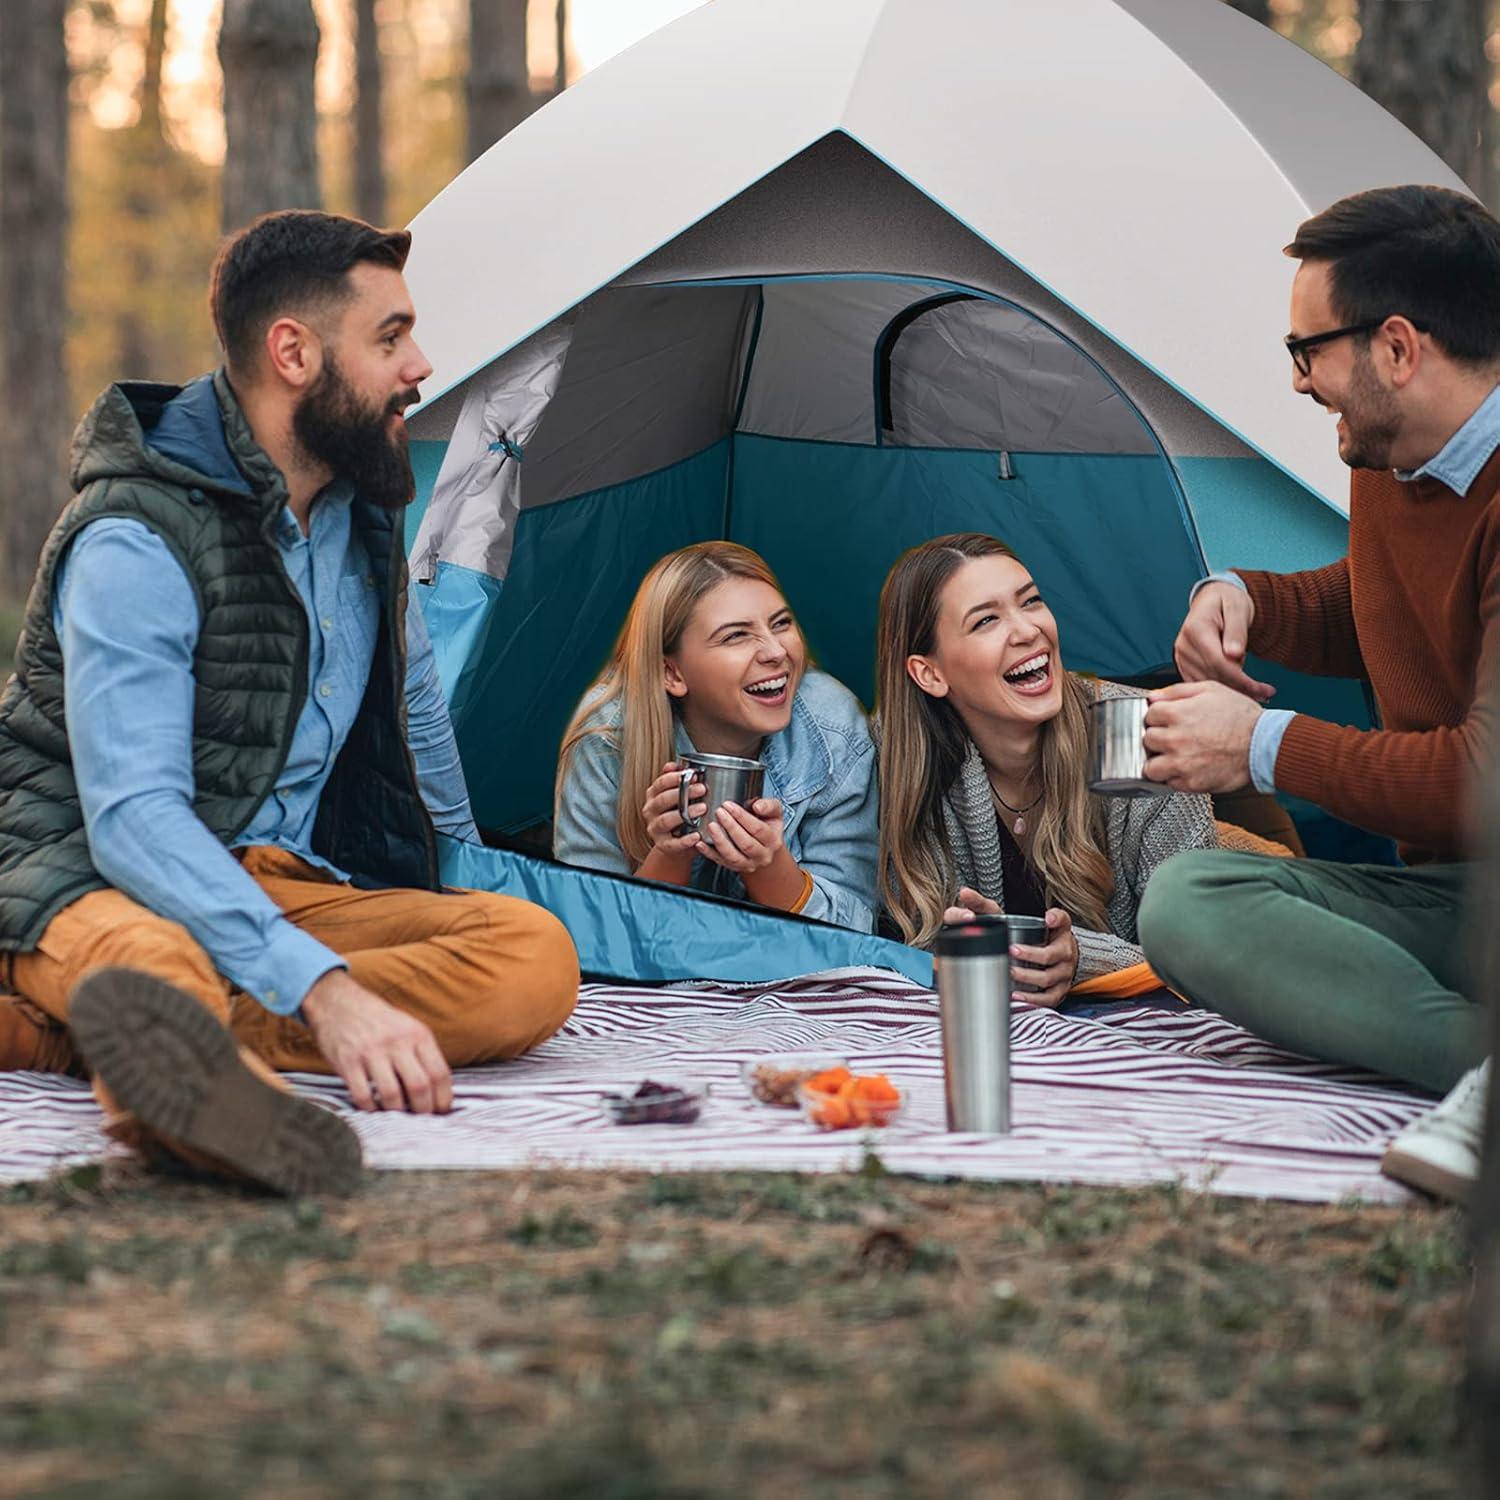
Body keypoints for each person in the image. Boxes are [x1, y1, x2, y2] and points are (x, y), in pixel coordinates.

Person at [0, 210, 579, 1195]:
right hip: (86, 871)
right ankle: (196, 1081)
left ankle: (94, 1037)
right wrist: (324, 992)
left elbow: (417, 705)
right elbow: (132, 819)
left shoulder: (363, 516)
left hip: (276, 878)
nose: (421, 367)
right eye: (390, 339)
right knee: (148, 956)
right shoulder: (135, 537)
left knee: (531, 954)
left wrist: (455, 870)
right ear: (294, 353)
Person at [1135, 185, 1497, 1199]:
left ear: (1397, 348)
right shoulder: (1392, 453)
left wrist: (1260, 746)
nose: (1298, 380)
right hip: (1456, 902)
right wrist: (1245, 599)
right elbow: (1384, 605)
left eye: (1308, 351)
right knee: (1189, 902)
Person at [875, 533, 1216, 1003]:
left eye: (1031, 601)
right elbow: (887, 935)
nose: (1027, 630)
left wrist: (1085, 960)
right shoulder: (900, 757)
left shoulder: (1131, 734)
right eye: (986, 620)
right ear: (930, 673)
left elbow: (1205, 948)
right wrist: (952, 943)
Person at [554, 542, 879, 931]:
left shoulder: (833, 727)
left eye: (781, 624)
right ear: (672, 673)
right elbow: (590, 930)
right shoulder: (608, 740)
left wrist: (768, 867)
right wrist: (671, 851)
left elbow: (857, 931)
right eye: (736, 636)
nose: (776, 651)